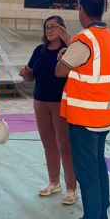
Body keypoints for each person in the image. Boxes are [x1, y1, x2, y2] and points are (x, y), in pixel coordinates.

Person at [54, 0, 110, 219]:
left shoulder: (85, 40)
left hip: (84, 117)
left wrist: (62, 56)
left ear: (81, 10)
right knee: (98, 168)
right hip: (102, 116)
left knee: (88, 175)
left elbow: (60, 71)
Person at [19, 16, 77, 205]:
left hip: (61, 102)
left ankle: (71, 188)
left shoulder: (69, 50)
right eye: (47, 27)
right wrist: (26, 74)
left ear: (63, 28)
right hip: (40, 102)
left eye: (54, 27)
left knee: (65, 145)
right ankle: (54, 182)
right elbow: (31, 78)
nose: (50, 30)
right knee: (49, 145)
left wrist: (68, 42)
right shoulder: (39, 50)